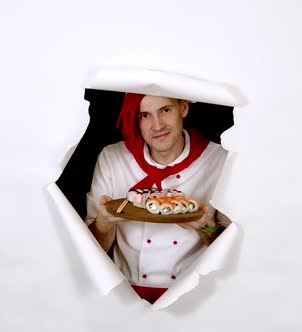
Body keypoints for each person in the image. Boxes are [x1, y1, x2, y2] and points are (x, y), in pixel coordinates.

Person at [85, 93, 229, 304]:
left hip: (196, 296)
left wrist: (205, 227)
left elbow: (237, 255)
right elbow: (88, 251)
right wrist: (105, 223)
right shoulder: (113, 158)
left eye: (165, 110)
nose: (157, 125)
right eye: (145, 115)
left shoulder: (219, 159)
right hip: (126, 297)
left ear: (184, 107)